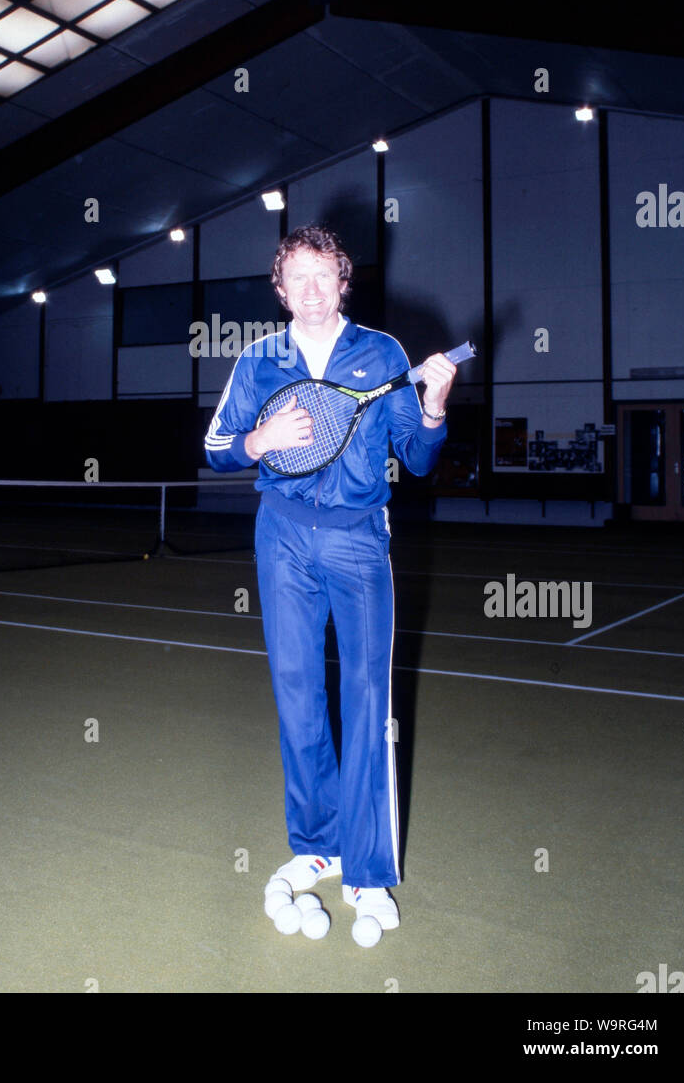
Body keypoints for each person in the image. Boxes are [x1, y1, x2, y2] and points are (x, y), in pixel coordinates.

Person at [204, 225, 457, 938]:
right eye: (297, 279)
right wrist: (259, 442)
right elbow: (218, 447)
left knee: (370, 698)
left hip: (356, 539)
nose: (311, 291)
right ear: (279, 290)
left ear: (344, 281)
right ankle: (318, 848)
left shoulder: (382, 354)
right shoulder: (258, 360)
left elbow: (417, 453)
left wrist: (435, 407)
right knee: (296, 692)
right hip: (280, 537)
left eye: (325, 276)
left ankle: (370, 872)